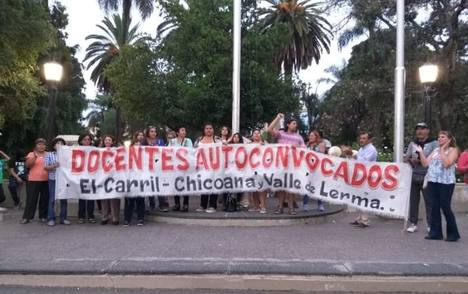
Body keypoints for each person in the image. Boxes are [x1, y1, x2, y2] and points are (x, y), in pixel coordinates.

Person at [415, 131, 460, 242]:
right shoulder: (435, 150)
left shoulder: (453, 150)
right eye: (439, 137)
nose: (439, 139)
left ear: (449, 139)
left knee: (445, 206)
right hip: (433, 181)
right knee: (434, 207)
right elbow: (425, 164)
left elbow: (447, 164)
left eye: (443, 137)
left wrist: (442, 149)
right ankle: (435, 233)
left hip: (446, 183)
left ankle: (453, 234)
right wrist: (420, 152)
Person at [267, 113, 305, 215]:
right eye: (293, 123)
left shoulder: (299, 138)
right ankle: (280, 207)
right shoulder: (281, 134)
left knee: (291, 188)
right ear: (288, 125)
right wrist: (277, 118)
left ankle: (291, 208)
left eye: (295, 124)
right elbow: (269, 130)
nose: (295, 125)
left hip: (293, 166)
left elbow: (304, 151)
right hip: (281, 165)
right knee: (281, 187)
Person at [404, 122, 438, 233]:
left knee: (429, 201)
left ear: (428, 130)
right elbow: (407, 156)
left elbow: (436, 159)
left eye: (422, 128)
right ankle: (413, 223)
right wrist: (409, 159)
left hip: (428, 175)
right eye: (418, 129)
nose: (419, 131)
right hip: (414, 174)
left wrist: (422, 160)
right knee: (413, 201)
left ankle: (430, 224)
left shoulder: (434, 143)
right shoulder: (412, 143)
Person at [350, 132, 377, 228]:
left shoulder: (371, 149)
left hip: (368, 176)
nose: (361, 140)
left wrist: (356, 156)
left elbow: (365, 162)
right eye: (361, 138)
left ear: (369, 140)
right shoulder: (362, 148)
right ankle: (359, 218)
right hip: (360, 176)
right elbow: (357, 162)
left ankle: (365, 220)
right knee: (359, 197)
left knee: (365, 197)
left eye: (364, 138)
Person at [194, 123, 222, 213]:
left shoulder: (217, 140)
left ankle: (212, 205)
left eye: (210, 128)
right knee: (204, 185)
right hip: (203, 167)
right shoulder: (199, 140)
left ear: (213, 130)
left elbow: (223, 150)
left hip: (215, 167)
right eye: (207, 128)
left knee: (214, 185)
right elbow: (193, 151)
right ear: (204, 130)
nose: (209, 130)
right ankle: (203, 205)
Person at [21, 138, 49, 224]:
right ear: (36, 146)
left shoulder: (48, 154)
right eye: (39, 144)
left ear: (45, 146)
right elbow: (27, 165)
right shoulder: (31, 154)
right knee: (31, 199)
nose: (41, 146)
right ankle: (27, 217)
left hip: (46, 180)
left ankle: (43, 216)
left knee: (44, 199)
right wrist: (35, 157)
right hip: (33, 180)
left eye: (43, 144)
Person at [141, 126, 169, 212]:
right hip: (147, 167)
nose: (154, 133)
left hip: (158, 167)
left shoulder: (160, 141)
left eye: (155, 131)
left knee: (159, 186)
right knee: (150, 186)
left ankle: (162, 205)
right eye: (151, 131)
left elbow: (164, 152)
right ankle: (151, 205)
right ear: (148, 133)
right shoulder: (144, 142)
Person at [44, 137, 70, 226]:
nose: (59, 145)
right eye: (57, 143)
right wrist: (54, 166)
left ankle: (63, 218)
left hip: (64, 180)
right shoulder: (49, 155)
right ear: (54, 146)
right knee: (52, 199)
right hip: (53, 179)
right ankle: (51, 218)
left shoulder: (67, 155)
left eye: (61, 143)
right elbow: (45, 168)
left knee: (64, 199)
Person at [168, 126, 193, 212]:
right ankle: (177, 204)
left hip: (185, 167)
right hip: (175, 167)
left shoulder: (188, 140)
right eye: (182, 130)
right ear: (177, 133)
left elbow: (190, 151)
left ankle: (185, 204)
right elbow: (167, 151)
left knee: (185, 185)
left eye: (185, 130)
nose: (184, 132)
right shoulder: (172, 141)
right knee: (176, 185)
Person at [123, 131, 146, 226]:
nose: (137, 145)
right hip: (129, 180)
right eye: (135, 143)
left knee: (140, 200)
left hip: (141, 180)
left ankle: (140, 218)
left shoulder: (145, 155)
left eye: (139, 144)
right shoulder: (126, 155)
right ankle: (127, 219)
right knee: (129, 201)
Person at [100, 135, 121, 225]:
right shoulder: (99, 151)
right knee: (104, 198)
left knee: (114, 198)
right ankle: (105, 217)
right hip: (103, 177)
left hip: (114, 178)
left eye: (109, 140)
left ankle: (115, 217)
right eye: (106, 140)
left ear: (112, 142)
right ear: (104, 142)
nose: (107, 141)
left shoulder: (116, 151)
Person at [303, 130, 326, 212]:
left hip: (317, 169)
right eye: (310, 136)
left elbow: (322, 155)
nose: (310, 137)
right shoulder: (307, 145)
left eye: (312, 136)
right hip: (308, 169)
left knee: (318, 187)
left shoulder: (321, 145)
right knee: (307, 186)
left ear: (316, 137)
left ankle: (320, 204)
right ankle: (305, 204)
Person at [77, 133, 96, 224]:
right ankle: (81, 216)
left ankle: (91, 216)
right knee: (82, 198)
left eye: (89, 139)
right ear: (81, 141)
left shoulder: (94, 150)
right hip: (81, 177)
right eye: (85, 139)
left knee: (91, 198)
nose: (87, 141)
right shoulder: (76, 150)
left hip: (91, 177)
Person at [250, 129, 268, 214]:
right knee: (254, 188)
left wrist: (264, 145)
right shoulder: (249, 145)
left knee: (262, 188)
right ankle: (256, 206)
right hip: (252, 169)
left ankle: (263, 206)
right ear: (252, 136)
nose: (257, 135)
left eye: (258, 133)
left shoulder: (265, 144)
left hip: (262, 169)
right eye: (255, 133)